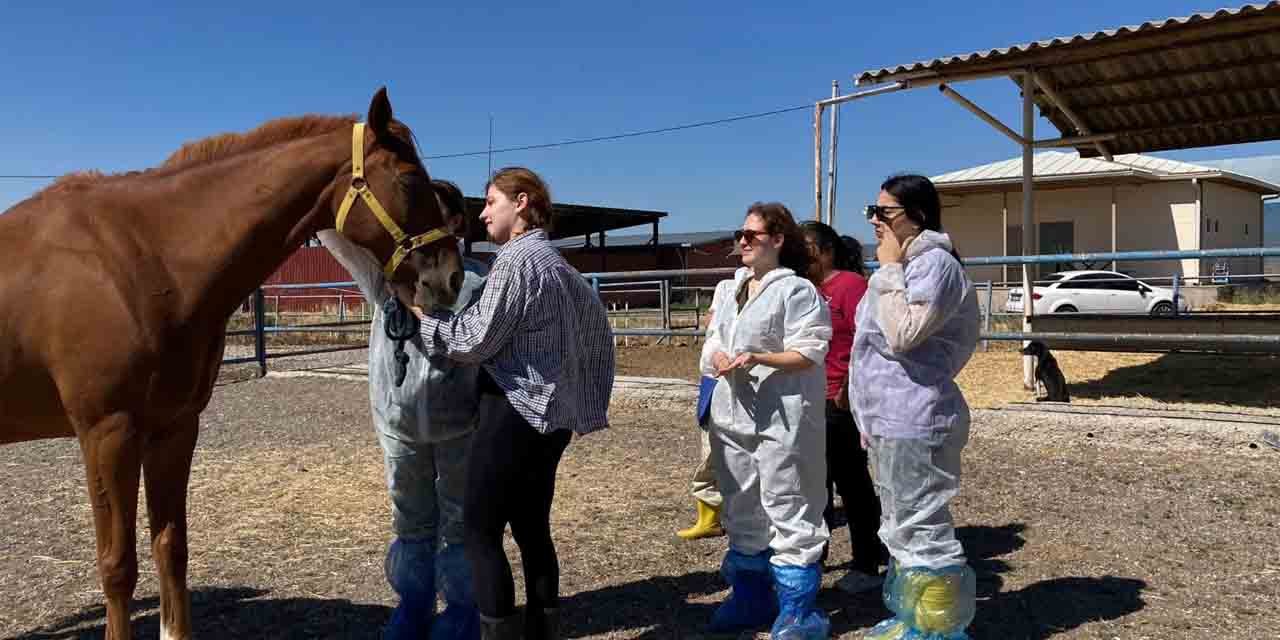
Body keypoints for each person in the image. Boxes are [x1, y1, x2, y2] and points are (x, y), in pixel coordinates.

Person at [402, 167, 615, 640]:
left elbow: (475, 340)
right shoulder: (557, 264)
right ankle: (543, 631)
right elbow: (598, 337)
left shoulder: (517, 261)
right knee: (532, 528)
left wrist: (424, 318)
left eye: (491, 201)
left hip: (513, 410)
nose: (483, 213)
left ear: (522, 203)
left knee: (480, 530)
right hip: (551, 417)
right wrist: (580, 397)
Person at [318, 179, 486, 640]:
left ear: (455, 223)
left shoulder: (476, 281)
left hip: (460, 424)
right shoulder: (386, 278)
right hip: (400, 424)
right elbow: (336, 239)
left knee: (459, 520)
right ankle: (413, 605)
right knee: (410, 518)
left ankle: (462, 610)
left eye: (434, 212)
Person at [851, 175, 981, 640]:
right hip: (890, 416)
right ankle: (915, 619)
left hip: (915, 415)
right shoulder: (905, 265)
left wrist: (888, 270)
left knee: (922, 526)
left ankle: (939, 631)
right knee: (900, 525)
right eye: (872, 210)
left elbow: (903, 334)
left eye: (884, 212)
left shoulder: (935, 265)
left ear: (918, 215)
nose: (874, 220)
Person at [700, 202, 832, 640]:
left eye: (751, 235)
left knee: (789, 503)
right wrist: (720, 356)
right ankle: (751, 595)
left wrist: (759, 357)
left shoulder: (796, 291)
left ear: (777, 240)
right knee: (741, 503)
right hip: (732, 414)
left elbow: (809, 350)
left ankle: (796, 610)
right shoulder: (729, 289)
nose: (742, 241)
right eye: (740, 234)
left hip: (782, 418)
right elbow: (713, 341)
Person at [800, 221, 888, 593]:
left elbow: (868, 340)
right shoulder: (806, 289)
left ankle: (867, 561)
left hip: (839, 398)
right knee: (813, 483)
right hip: (809, 398)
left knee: (851, 482)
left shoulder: (850, 286)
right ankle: (813, 557)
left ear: (825, 250)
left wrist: (850, 385)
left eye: (805, 246)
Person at [675, 308, 725, 541]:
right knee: (709, 451)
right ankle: (709, 518)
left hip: (730, 378)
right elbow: (712, 319)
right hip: (712, 380)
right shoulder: (728, 289)